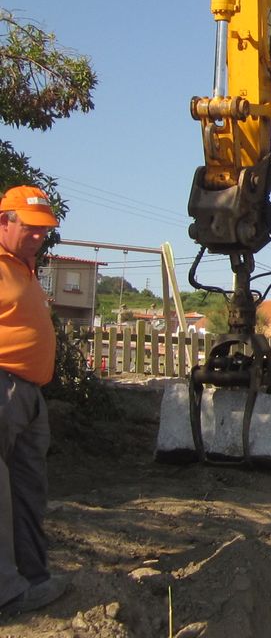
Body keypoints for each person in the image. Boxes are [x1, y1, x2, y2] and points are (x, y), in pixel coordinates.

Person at [0, 185, 68, 617]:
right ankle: (6, 591)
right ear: (4, 220)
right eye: (31, 228)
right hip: (3, 388)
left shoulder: (23, 267)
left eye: (45, 230)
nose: (39, 237)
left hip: (29, 394)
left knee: (27, 490)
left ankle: (33, 579)